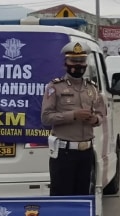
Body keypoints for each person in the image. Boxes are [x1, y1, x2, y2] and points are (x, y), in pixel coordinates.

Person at [41, 40, 106, 196]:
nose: (78, 65)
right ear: (65, 63)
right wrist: (73, 115)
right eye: (74, 61)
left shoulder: (92, 88)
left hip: (86, 152)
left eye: (82, 61)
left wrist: (95, 119)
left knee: (84, 196)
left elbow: (101, 114)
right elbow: (46, 117)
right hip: (64, 153)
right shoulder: (55, 87)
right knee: (63, 197)